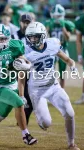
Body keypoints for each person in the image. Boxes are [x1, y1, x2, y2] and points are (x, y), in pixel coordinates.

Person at [17, 22, 80, 150]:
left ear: (43, 36)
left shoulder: (52, 44)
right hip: (37, 91)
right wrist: (22, 95)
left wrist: (73, 66)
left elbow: (68, 60)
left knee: (70, 113)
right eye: (30, 37)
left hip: (53, 86)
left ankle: (71, 144)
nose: (32, 39)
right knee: (46, 123)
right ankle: (39, 117)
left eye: (35, 36)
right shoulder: (25, 52)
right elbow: (22, 77)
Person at [45, 4, 75, 88]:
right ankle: (51, 90)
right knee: (51, 73)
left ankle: (62, 90)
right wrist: (48, 27)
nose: (57, 18)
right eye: (55, 16)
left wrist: (63, 27)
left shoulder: (66, 24)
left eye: (58, 16)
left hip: (63, 49)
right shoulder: (48, 23)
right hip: (51, 51)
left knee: (62, 74)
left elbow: (68, 38)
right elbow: (44, 37)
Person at [12, 13, 34, 125]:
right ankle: (21, 120)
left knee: (31, 98)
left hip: (33, 68)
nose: (25, 24)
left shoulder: (35, 34)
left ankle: (24, 118)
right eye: (23, 22)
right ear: (20, 22)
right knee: (22, 96)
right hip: (20, 69)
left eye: (27, 22)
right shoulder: (14, 35)